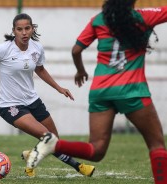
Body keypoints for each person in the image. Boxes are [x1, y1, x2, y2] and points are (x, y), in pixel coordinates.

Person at [26, 1, 167, 183]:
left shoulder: (99, 20)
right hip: (132, 90)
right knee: (157, 145)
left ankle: (54, 144)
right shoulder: (143, 17)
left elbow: (76, 50)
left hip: (101, 91)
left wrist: (80, 70)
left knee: (96, 149)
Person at [0, 13, 95, 177]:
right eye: (19, 29)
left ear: (32, 29)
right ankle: (79, 167)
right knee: (48, 138)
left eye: (27, 28)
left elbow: (40, 69)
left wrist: (58, 88)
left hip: (33, 102)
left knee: (55, 141)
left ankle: (31, 155)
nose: (24, 32)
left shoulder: (37, 48)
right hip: (11, 106)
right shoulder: (3, 49)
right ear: (14, 31)